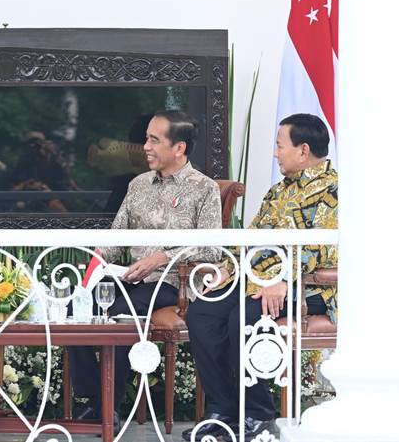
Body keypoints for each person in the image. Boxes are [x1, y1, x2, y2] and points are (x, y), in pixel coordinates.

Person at [183, 113, 338, 442]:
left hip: (308, 287)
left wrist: (283, 280)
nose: (275, 153)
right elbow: (252, 236)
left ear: (303, 150)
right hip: (257, 279)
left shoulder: (334, 190)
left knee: (244, 317)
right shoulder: (278, 191)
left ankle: (257, 414)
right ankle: (223, 411)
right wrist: (228, 267)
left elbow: (320, 247)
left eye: (280, 146)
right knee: (202, 312)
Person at [67, 110, 222, 426]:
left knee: (120, 312)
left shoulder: (204, 188)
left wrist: (163, 256)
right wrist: (94, 264)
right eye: (146, 139)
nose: (145, 147)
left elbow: (212, 249)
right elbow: (116, 238)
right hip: (131, 277)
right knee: (75, 307)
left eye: (154, 140)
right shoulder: (137, 184)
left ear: (178, 148)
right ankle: (95, 398)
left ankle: (107, 406)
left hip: (173, 283)